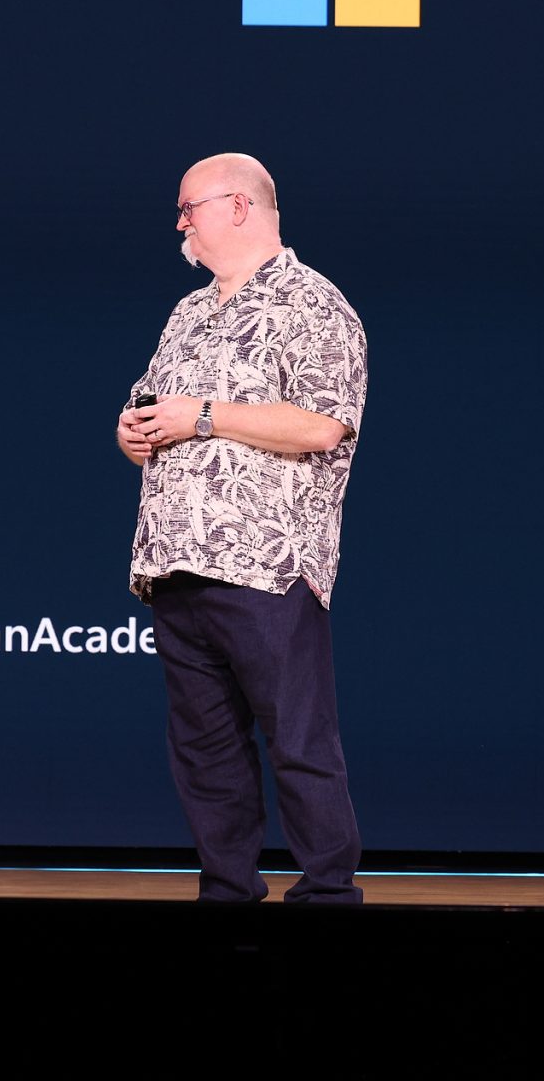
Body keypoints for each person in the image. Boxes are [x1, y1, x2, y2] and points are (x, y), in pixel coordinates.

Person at [118, 152, 368, 904]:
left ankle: (328, 894)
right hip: (177, 564)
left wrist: (202, 415)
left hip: (267, 566)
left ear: (238, 206)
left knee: (297, 740)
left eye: (188, 207)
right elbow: (151, 404)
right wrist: (134, 432)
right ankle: (227, 894)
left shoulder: (314, 304)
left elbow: (324, 425)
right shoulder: (189, 311)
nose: (180, 223)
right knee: (204, 750)